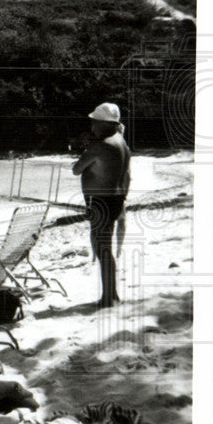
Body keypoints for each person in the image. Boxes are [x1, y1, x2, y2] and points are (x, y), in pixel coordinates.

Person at [72, 102, 131, 308]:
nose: (92, 127)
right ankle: (112, 293)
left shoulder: (101, 145)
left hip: (101, 202)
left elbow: (77, 169)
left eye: (94, 122)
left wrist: (87, 149)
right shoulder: (122, 143)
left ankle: (108, 298)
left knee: (103, 249)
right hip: (114, 200)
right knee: (105, 248)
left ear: (104, 124)